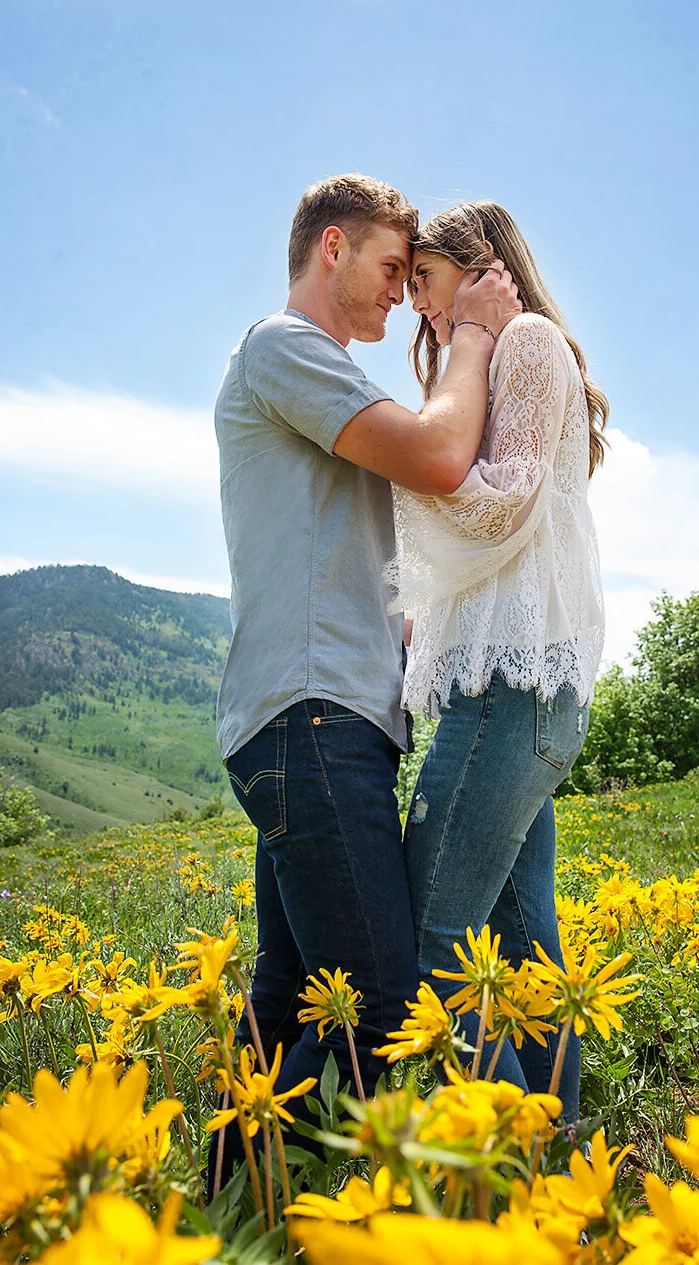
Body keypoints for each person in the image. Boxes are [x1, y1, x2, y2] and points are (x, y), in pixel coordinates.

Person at [210, 175, 521, 1183]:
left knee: (290, 1003)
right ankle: (325, 1217)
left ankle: (228, 1215)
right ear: (332, 247)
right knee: (383, 1011)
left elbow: (342, 553)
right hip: (313, 721)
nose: (399, 292)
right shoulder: (285, 346)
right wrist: (471, 334)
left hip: (310, 719)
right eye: (392, 268)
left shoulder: (318, 373)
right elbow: (437, 455)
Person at [392, 200, 609, 1124]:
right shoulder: (512, 352)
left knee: (432, 940)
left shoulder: (523, 342)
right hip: (525, 695)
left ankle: (508, 1165)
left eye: (425, 280)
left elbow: (500, 503)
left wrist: (394, 465)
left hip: (507, 695)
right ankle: (559, 1158)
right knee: (522, 950)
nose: (417, 305)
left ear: (481, 265)